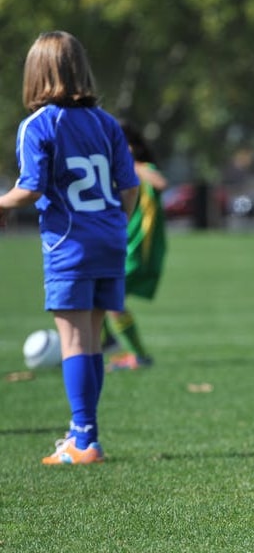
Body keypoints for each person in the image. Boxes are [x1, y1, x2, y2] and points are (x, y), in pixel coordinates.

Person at [0, 31, 139, 464]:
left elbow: (29, 188)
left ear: (35, 74)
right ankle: (84, 434)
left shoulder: (38, 125)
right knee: (93, 340)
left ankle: (84, 441)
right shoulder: (105, 122)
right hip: (110, 241)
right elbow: (129, 188)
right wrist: (114, 222)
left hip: (69, 246)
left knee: (75, 341)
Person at [104, 121, 168, 371]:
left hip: (138, 249)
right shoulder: (120, 172)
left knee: (110, 300)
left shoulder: (142, 168)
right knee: (103, 297)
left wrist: (133, 164)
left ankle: (137, 356)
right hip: (122, 245)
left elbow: (160, 183)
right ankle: (108, 344)